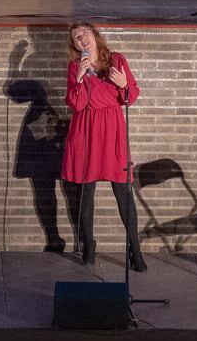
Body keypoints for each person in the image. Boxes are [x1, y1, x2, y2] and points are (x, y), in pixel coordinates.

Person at [62, 22, 145, 271]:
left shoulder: (117, 60)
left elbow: (131, 96)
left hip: (112, 130)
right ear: (74, 44)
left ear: (94, 35)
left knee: (124, 194)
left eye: (84, 34)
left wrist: (123, 85)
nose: (81, 39)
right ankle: (89, 245)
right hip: (85, 130)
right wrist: (78, 79)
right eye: (77, 38)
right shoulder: (75, 66)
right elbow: (75, 104)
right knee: (85, 194)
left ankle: (135, 250)